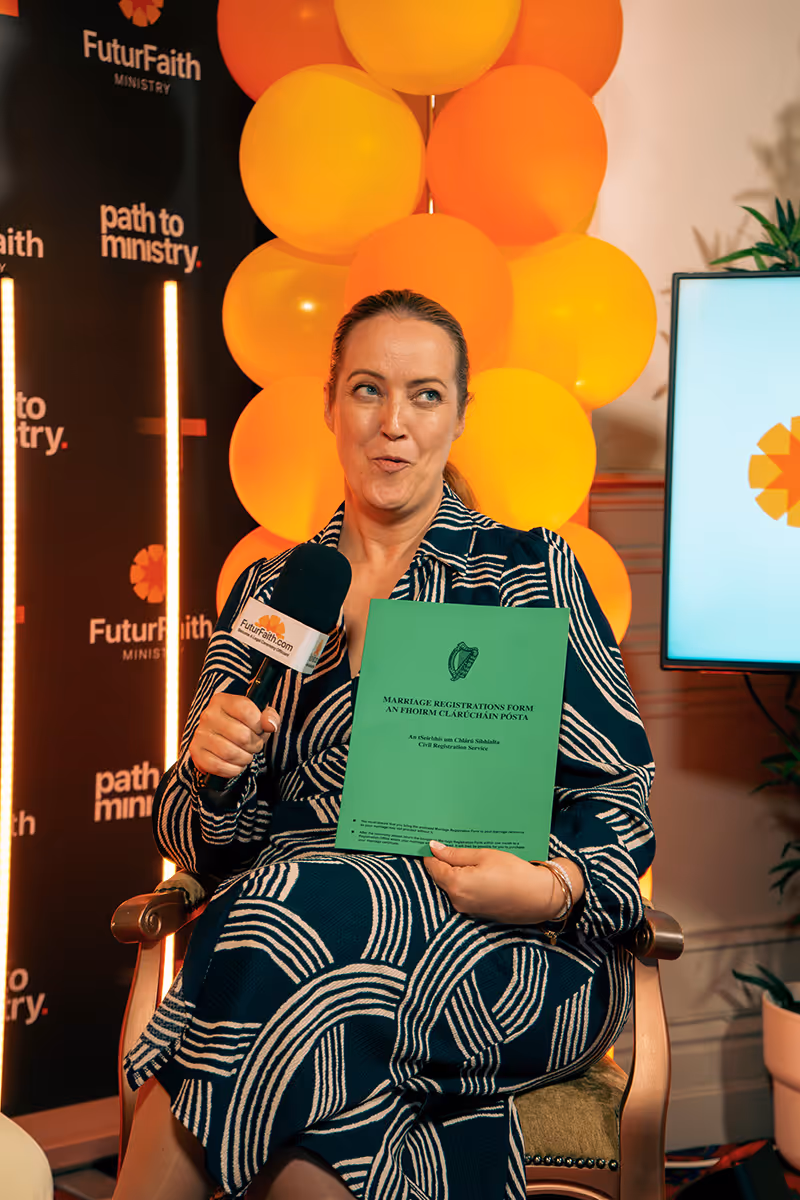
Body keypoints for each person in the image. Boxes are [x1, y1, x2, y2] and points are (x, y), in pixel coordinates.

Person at [114, 289, 655, 1200]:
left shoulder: (528, 572)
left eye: (425, 395)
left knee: (273, 929)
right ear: (331, 405)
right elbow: (199, 841)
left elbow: (619, 793)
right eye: (368, 390)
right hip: (297, 941)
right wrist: (213, 772)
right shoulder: (280, 587)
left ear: (460, 415)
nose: (393, 424)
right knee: (296, 936)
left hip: (496, 936)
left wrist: (548, 885)